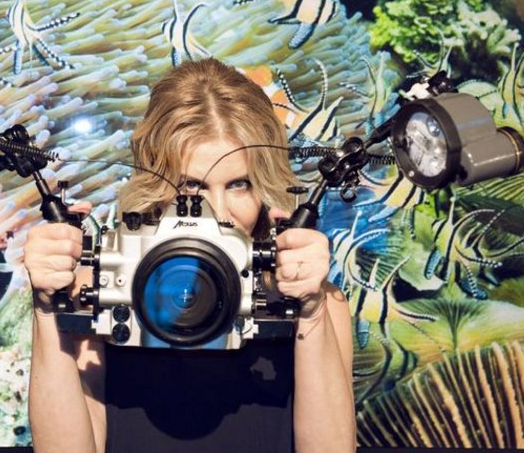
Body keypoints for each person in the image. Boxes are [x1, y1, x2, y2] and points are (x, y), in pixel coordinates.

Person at [24, 58, 355, 452]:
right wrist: (47, 307)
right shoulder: (94, 293)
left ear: (264, 188)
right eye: (192, 188)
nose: (220, 212)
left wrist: (311, 309)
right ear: (155, 186)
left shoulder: (318, 304)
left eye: (239, 184)